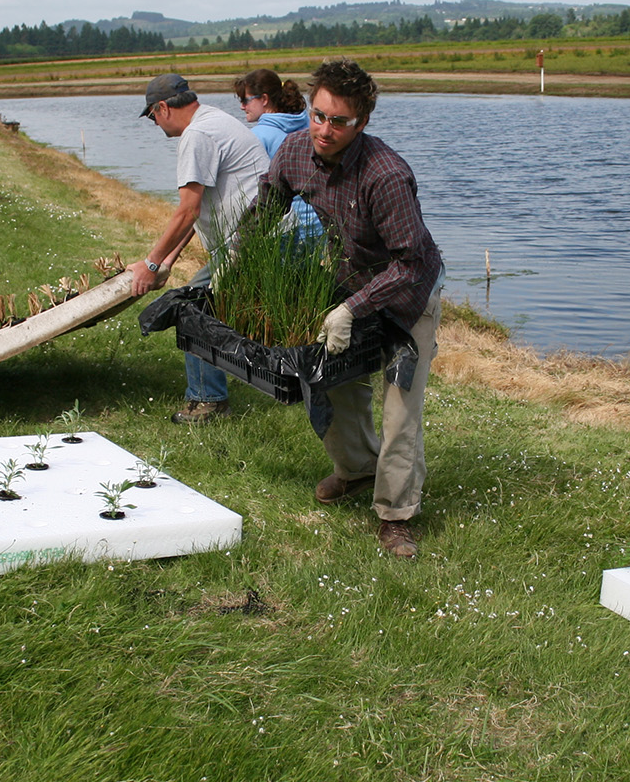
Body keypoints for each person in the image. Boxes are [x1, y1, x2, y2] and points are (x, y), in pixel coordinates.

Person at [257, 58, 444, 559]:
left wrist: (352, 309)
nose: (324, 129)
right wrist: (242, 250)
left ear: (362, 122)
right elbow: (269, 202)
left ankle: (396, 514)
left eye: (339, 121)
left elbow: (409, 262)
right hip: (348, 282)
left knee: (400, 408)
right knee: (335, 385)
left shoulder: (386, 175)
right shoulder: (297, 149)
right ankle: (359, 470)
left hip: (409, 296)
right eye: (318, 115)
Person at [128, 72, 269, 425]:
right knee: (203, 304)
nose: (154, 124)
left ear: (162, 108)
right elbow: (201, 209)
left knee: (194, 310)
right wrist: (167, 263)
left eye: (151, 116)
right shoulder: (214, 120)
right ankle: (213, 393)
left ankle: (208, 401)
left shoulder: (197, 135)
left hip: (248, 244)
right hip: (252, 239)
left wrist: (150, 263)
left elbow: (187, 209)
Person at [233, 68, 324, 242]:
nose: (242, 106)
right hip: (319, 221)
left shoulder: (259, 135)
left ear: (264, 99)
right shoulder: (307, 124)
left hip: (288, 227)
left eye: (246, 100)